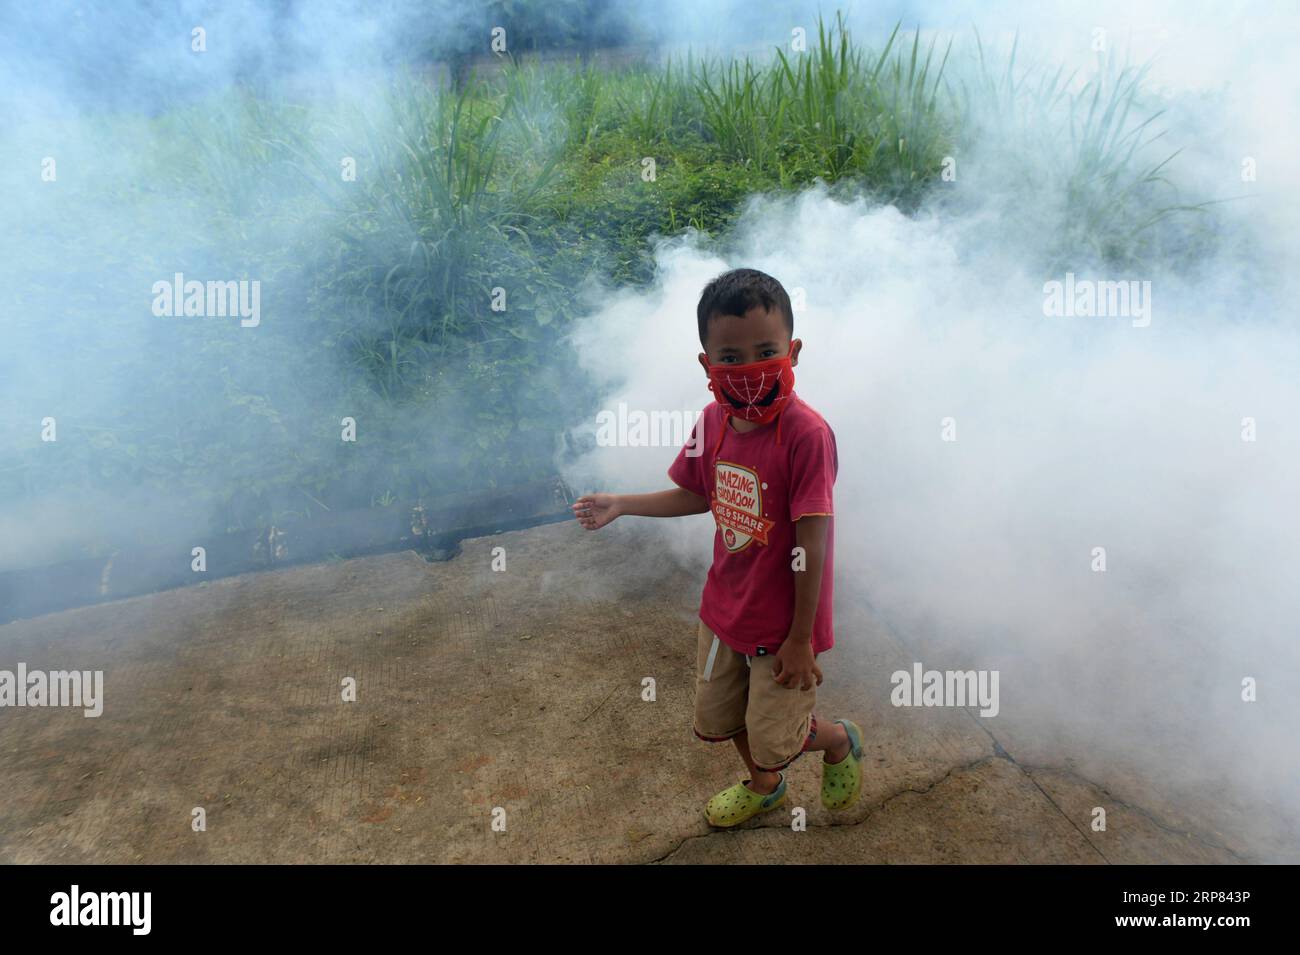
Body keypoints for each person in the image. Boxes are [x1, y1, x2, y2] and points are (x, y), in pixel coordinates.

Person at [572, 268, 863, 828]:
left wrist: (801, 637)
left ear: (793, 352)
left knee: (780, 731)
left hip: (783, 627)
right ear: (706, 364)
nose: (748, 370)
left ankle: (836, 740)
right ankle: (765, 786)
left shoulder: (807, 435)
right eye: (730, 358)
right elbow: (697, 494)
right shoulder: (713, 421)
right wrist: (623, 504)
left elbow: (813, 541)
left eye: (765, 351)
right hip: (724, 610)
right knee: (726, 715)